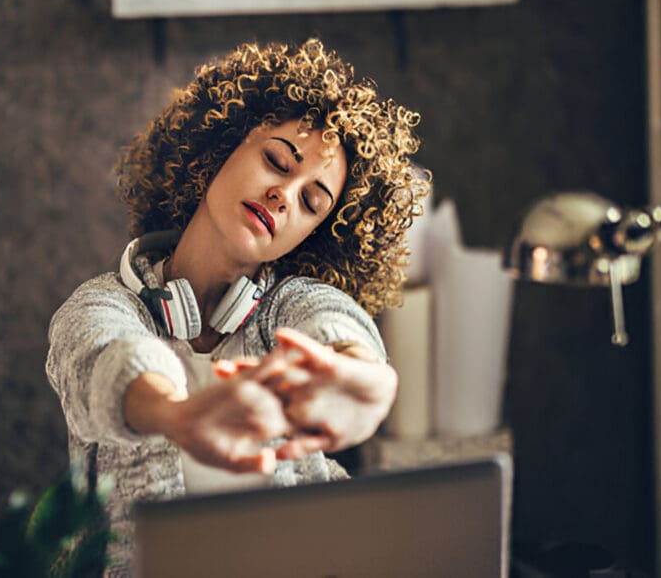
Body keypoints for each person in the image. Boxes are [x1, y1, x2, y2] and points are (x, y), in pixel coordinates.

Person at [46, 37, 430, 575]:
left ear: (311, 237)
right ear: (221, 147)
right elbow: (106, 358)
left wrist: (370, 383)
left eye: (310, 201)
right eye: (277, 161)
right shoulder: (103, 305)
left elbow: (339, 329)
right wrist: (176, 416)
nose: (283, 196)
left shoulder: (290, 307)